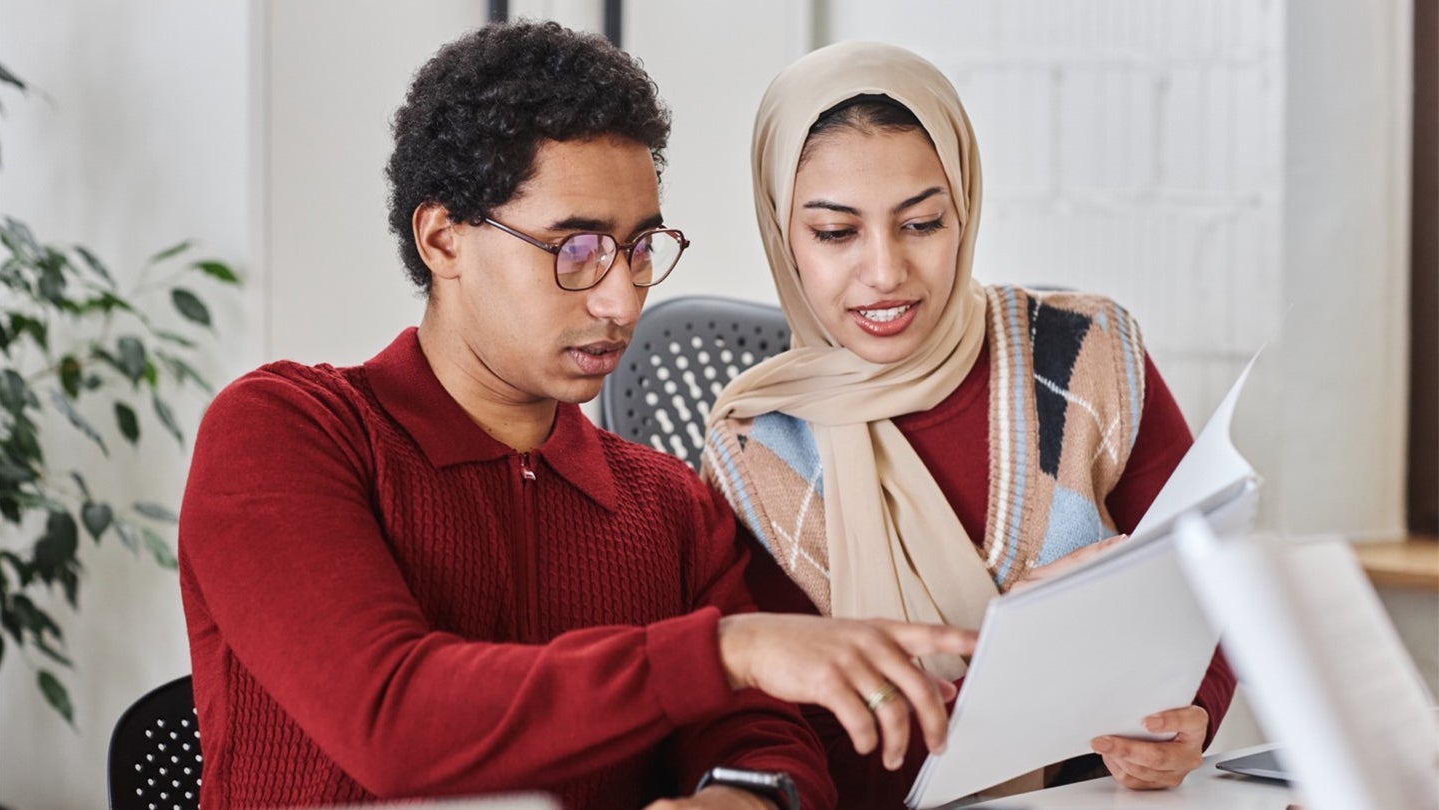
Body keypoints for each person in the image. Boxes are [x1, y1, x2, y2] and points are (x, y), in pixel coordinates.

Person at [178, 23, 975, 810]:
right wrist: (728, 649)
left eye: (637, 248)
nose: (621, 297)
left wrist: (743, 796)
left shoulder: (667, 506)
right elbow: (393, 722)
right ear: (443, 239)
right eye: (575, 249)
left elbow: (760, 737)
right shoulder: (283, 433)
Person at [702, 41, 1236, 807]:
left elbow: (1204, 581)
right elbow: (800, 737)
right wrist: (1030, 649)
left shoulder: (1087, 357)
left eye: (922, 223)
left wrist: (1194, 715)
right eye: (834, 232)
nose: (885, 271)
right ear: (781, 233)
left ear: (966, 209)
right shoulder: (759, 449)